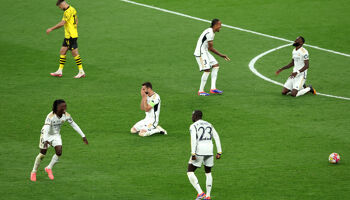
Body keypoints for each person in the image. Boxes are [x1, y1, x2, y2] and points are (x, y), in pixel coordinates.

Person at [30, 99, 88, 181]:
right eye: (62, 106)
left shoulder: (66, 115)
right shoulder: (50, 117)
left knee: (59, 152)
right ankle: (34, 172)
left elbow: (74, 125)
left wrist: (83, 136)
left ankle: (49, 168)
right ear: (57, 107)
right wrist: (46, 140)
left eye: (65, 106)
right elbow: (46, 129)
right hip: (46, 134)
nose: (65, 108)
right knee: (42, 154)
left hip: (56, 135)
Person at [187, 110, 222, 200]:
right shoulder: (209, 124)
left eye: (192, 115)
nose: (192, 117)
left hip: (199, 150)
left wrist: (193, 153)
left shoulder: (193, 126)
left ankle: (200, 193)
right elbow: (216, 136)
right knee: (208, 172)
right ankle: (208, 196)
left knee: (190, 171)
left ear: (195, 116)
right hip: (210, 150)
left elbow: (193, 140)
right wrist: (219, 152)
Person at [46, 0, 86, 78]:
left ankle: (81, 72)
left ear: (62, 4)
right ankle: (59, 71)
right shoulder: (73, 9)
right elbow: (77, 20)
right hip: (69, 35)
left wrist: (51, 29)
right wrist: (74, 27)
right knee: (62, 51)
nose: (60, 8)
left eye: (60, 6)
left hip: (71, 36)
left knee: (74, 53)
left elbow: (62, 23)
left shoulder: (66, 12)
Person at [194, 19, 230, 96]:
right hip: (200, 52)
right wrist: (221, 55)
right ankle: (200, 91)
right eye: (220, 25)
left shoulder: (211, 32)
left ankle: (213, 88)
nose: (221, 27)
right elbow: (211, 48)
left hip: (205, 51)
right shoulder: (210, 33)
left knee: (215, 65)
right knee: (207, 70)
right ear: (215, 25)